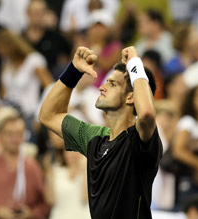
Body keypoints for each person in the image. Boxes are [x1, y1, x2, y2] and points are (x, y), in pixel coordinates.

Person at [39, 46, 163, 218]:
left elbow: (147, 114)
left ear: (130, 97)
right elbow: (48, 115)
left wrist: (135, 62)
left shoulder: (139, 139)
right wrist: (73, 71)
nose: (102, 87)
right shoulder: (94, 136)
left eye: (112, 83)